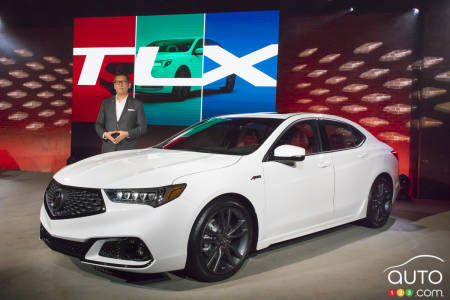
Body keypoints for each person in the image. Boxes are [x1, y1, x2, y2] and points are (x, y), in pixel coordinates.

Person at [95, 73, 147, 153]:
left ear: (129, 85)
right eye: (117, 82)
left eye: (123, 81)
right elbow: (98, 124)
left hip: (128, 149)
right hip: (108, 148)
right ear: (114, 86)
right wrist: (105, 134)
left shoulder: (137, 104)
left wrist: (127, 134)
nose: (120, 84)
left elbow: (143, 128)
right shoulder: (106, 103)